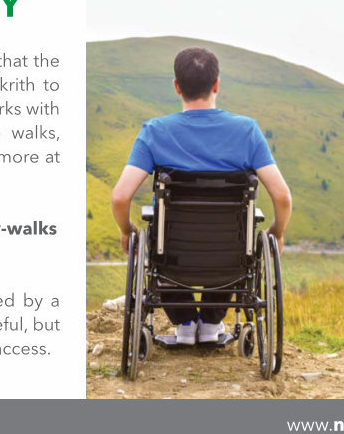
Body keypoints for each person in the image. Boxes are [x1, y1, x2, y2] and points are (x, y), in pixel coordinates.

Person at [111, 45, 293, 346]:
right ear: (217, 84)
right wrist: (278, 232)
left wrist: (126, 230)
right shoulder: (247, 131)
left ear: (176, 86)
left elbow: (120, 198)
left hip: (172, 255)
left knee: (159, 241)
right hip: (231, 256)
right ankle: (210, 323)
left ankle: (184, 324)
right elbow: (282, 197)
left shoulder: (154, 132)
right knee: (232, 243)